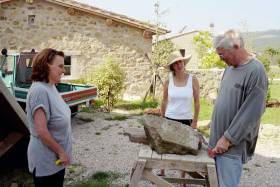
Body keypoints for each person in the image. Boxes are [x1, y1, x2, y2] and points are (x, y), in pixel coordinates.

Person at [209, 29, 268, 187]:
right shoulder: (229, 67)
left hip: (230, 147)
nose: (221, 59)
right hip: (216, 143)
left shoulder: (256, 71)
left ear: (236, 47)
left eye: (222, 55)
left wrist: (228, 139)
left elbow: (252, 113)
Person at [26, 48, 72, 187]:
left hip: (56, 161)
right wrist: (61, 152)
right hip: (46, 161)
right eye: (60, 66)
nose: (63, 71)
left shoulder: (50, 87)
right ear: (46, 66)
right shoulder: (39, 90)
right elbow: (42, 131)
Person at [160, 50, 200, 178]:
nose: (179, 64)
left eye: (180, 61)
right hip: (170, 118)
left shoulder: (193, 79)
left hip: (186, 119)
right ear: (172, 67)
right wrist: (162, 118)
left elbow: (197, 102)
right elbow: (164, 100)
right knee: (166, 147)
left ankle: (182, 177)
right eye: (175, 63)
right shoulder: (168, 80)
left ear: (184, 63)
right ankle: (162, 172)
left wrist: (195, 121)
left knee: (185, 150)